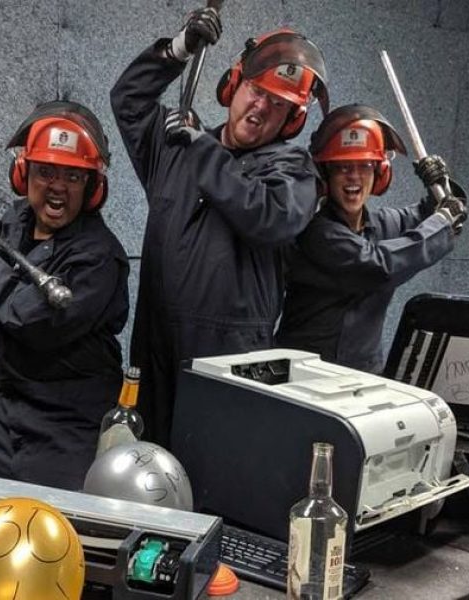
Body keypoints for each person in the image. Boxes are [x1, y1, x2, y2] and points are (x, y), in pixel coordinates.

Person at [110, 12, 330, 446]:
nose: (261, 107)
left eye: (279, 104)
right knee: (146, 469)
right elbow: (128, 100)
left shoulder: (292, 170)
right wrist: (178, 49)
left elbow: (269, 217)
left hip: (231, 361)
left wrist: (203, 147)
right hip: (156, 344)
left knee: (218, 481)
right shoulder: (172, 148)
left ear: (291, 120)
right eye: (256, 90)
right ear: (233, 86)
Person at [0, 101, 129, 491]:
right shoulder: (20, 221)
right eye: (45, 171)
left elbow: (30, 319)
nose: (57, 186)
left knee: (49, 538)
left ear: (92, 188)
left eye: (73, 177)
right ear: (23, 174)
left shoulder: (98, 258)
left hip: (64, 426)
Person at [276, 104, 468, 373]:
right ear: (325, 175)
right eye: (342, 167)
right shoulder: (316, 233)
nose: (353, 176)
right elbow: (379, 266)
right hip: (305, 380)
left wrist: (442, 187)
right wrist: (442, 222)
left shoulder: (383, 224)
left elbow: (438, 213)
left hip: (363, 379)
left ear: (380, 173)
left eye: (364, 165)